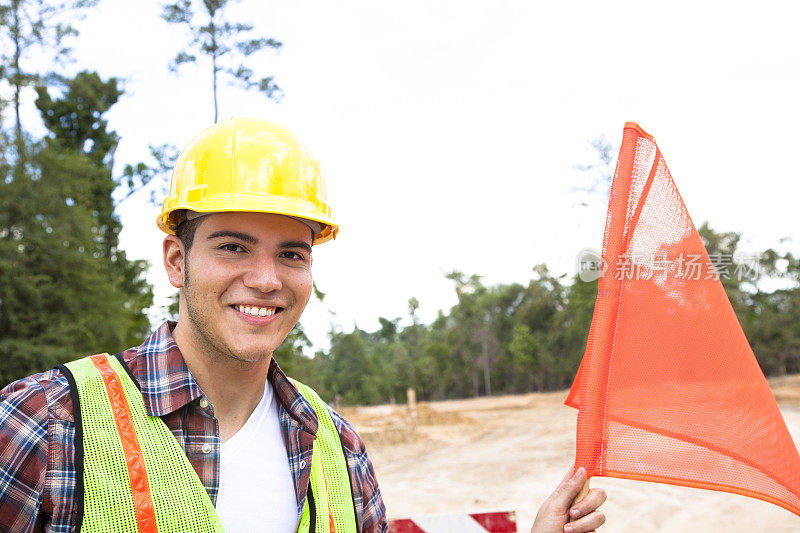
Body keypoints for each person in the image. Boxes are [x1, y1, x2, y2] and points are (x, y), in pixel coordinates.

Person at [0, 118, 606, 533]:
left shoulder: (337, 451)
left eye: (291, 252)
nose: (266, 278)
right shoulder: (46, 422)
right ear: (177, 261)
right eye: (234, 246)